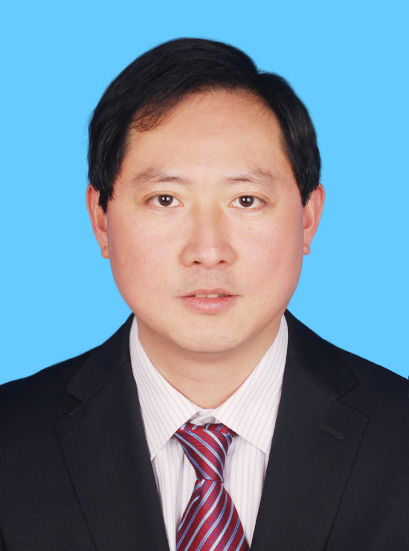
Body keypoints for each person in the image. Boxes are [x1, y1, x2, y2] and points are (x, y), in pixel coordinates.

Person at [0, 38, 407, 551]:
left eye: (246, 200)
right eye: (165, 199)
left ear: (308, 218)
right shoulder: (11, 442)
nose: (208, 251)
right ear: (101, 221)